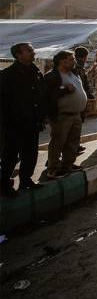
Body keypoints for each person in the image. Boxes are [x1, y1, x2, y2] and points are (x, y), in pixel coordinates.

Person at [0, 43, 45, 196]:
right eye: (29, 50)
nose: (33, 52)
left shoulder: (36, 72)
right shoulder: (8, 75)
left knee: (31, 154)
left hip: (33, 123)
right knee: (10, 156)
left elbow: (40, 96)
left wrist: (41, 117)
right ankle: (5, 186)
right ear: (19, 55)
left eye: (33, 49)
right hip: (14, 124)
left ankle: (26, 180)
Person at [44, 50, 88, 179]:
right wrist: (64, 89)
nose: (74, 61)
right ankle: (53, 169)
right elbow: (48, 96)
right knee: (58, 143)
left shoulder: (73, 73)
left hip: (76, 114)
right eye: (71, 59)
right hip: (62, 115)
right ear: (62, 61)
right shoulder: (52, 76)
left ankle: (67, 165)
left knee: (73, 142)